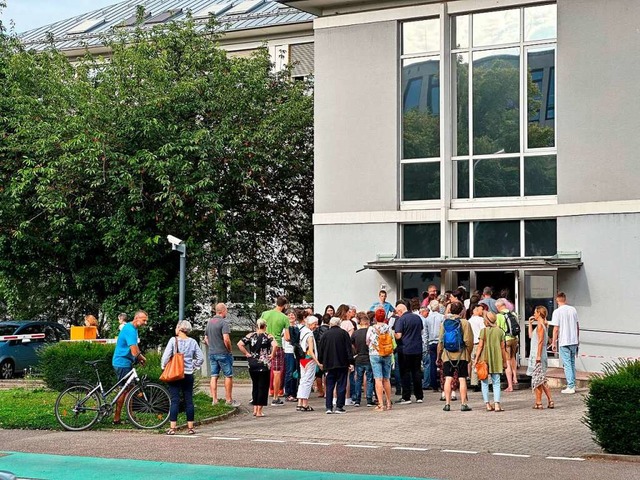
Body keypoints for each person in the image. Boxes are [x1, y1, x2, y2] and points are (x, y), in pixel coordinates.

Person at [162, 320, 204, 434]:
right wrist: (193, 366)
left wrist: (164, 366)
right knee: (189, 400)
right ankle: (190, 428)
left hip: (175, 374)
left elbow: (166, 357)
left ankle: (172, 428)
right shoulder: (193, 342)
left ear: (179, 328)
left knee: (175, 400)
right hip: (188, 374)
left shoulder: (173, 340)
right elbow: (201, 358)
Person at [112, 310, 148, 424]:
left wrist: (138, 357)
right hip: (122, 362)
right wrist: (142, 358)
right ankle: (117, 418)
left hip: (124, 362)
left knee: (130, 389)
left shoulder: (131, 328)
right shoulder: (130, 330)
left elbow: (135, 348)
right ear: (137, 318)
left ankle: (129, 416)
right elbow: (134, 351)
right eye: (144, 320)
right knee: (124, 390)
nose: (145, 323)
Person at [437, 302, 473, 412]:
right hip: (461, 355)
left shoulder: (445, 323)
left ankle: (447, 404)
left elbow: (440, 341)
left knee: (448, 379)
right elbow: (468, 341)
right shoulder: (465, 323)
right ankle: (463, 404)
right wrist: (468, 353)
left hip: (447, 355)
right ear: (461, 311)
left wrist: (439, 355)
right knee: (462, 379)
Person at [237, 319, 277, 417]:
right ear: (265, 326)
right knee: (262, 387)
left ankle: (255, 409)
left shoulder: (250, 335)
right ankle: (259, 411)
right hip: (264, 364)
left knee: (255, 386)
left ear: (257, 326)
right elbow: (275, 345)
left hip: (252, 363)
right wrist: (272, 354)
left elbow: (239, 344)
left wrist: (246, 353)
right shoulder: (268, 336)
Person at [205, 303, 239, 407]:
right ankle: (228, 400)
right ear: (222, 311)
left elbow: (206, 338)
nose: (227, 312)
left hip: (212, 353)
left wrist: (211, 346)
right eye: (226, 310)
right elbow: (226, 339)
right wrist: (229, 349)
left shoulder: (209, 323)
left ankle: (214, 400)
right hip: (223, 353)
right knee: (228, 375)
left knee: (214, 376)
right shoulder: (223, 323)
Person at [474, 312, 508, 412]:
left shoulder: (483, 331)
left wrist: (476, 359)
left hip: (484, 358)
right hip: (497, 358)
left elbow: (480, 346)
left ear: (487, 321)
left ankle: (488, 404)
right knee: (496, 382)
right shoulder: (500, 331)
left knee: (484, 382)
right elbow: (503, 348)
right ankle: (497, 404)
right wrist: (505, 361)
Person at [319, 317, 353, 414]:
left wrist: (321, 361)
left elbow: (321, 349)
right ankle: (339, 406)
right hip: (342, 363)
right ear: (339, 323)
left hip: (329, 364)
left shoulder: (325, 335)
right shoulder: (344, 333)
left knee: (329, 385)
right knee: (341, 385)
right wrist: (351, 361)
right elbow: (348, 349)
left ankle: (328, 407)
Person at [261, 296, 290, 406]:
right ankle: (275, 397)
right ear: (285, 306)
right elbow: (287, 337)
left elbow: (259, 328)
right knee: (277, 372)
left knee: (262, 370)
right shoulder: (284, 318)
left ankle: (259, 395)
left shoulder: (265, 314)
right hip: (277, 345)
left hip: (264, 344)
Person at [394, 303, 424, 405]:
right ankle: (419, 396)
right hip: (417, 349)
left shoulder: (401, 320)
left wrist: (392, 333)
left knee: (405, 373)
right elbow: (421, 331)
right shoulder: (417, 318)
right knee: (417, 372)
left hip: (405, 349)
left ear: (400, 311)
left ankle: (406, 397)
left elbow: (398, 335)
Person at [550, 292, 579, 394]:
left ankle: (570, 386)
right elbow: (577, 326)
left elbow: (556, 329)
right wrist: (577, 339)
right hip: (574, 340)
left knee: (567, 364)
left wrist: (553, 342)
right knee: (572, 362)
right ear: (565, 299)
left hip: (564, 341)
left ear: (557, 301)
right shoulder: (573, 310)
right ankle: (573, 384)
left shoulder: (557, 312)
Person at [527, 306, 554, 409]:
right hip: (537, 353)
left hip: (538, 354)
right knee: (540, 379)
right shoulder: (543, 324)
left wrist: (538, 356)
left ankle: (540, 402)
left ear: (539, 313)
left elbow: (540, 341)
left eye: (535, 312)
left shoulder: (540, 325)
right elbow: (530, 336)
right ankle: (546, 401)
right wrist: (529, 324)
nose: (534, 314)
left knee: (539, 379)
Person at [367, 311, 393, 411]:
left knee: (378, 379)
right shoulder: (388, 327)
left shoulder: (371, 328)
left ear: (375, 318)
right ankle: (389, 403)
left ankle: (381, 404)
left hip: (375, 354)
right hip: (387, 353)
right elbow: (392, 339)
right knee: (386, 379)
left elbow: (367, 340)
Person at [296, 316, 322, 412]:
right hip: (309, 359)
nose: (316, 326)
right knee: (308, 381)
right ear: (311, 324)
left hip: (302, 359)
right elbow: (311, 351)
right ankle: (305, 404)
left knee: (303, 380)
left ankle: (300, 402)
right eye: (315, 324)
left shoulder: (302, 331)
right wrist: (318, 362)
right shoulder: (309, 334)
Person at [352, 312, 374, 407]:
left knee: (358, 380)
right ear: (367, 322)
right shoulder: (370, 332)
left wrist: (355, 352)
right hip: (368, 357)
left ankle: (357, 400)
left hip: (359, 358)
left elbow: (351, 344)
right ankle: (369, 399)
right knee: (369, 379)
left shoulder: (355, 333)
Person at [496, 299, 518, 392]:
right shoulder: (513, 314)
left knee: (507, 361)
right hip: (515, 339)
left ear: (498, 306)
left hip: (506, 340)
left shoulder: (499, 316)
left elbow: (498, 329)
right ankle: (515, 378)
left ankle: (510, 386)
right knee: (513, 357)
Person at [425, 300, 444, 392]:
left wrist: (426, 344)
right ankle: (443, 383)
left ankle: (434, 386)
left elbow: (425, 333)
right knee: (442, 363)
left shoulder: (427, 319)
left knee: (432, 364)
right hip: (440, 342)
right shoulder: (442, 317)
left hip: (431, 342)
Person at [468, 302, 487, 390]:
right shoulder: (480, 320)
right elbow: (484, 331)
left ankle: (474, 383)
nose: (482, 311)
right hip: (480, 343)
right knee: (483, 362)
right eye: (480, 309)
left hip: (472, 344)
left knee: (474, 363)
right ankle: (485, 380)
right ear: (475, 310)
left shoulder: (469, 321)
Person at [283, 309, 298, 402]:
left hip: (296, 351)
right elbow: (288, 338)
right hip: (289, 351)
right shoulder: (285, 327)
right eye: (289, 315)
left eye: (293, 315)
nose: (291, 316)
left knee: (295, 372)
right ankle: (288, 392)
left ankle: (294, 392)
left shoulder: (297, 327)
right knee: (289, 372)